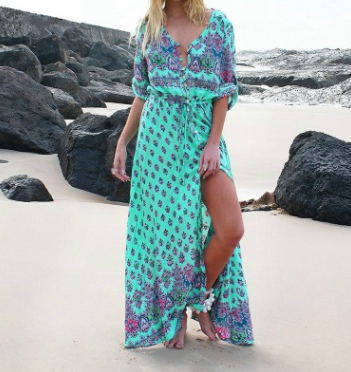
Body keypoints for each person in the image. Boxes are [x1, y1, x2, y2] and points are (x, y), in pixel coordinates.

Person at [112, 0, 254, 349]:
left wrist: (212, 143)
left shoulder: (218, 23)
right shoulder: (149, 27)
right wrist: (121, 143)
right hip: (158, 144)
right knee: (170, 241)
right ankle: (175, 314)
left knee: (231, 228)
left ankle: (198, 298)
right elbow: (142, 93)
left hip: (205, 136)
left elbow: (224, 88)